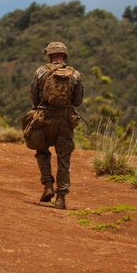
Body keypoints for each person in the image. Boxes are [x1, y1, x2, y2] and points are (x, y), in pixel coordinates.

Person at [29, 41, 84, 209]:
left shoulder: (40, 72)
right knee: (64, 160)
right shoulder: (75, 74)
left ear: (50, 55)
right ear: (64, 55)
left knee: (42, 151)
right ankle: (61, 198)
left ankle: (47, 185)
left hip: (44, 119)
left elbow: (33, 97)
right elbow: (78, 101)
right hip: (65, 122)